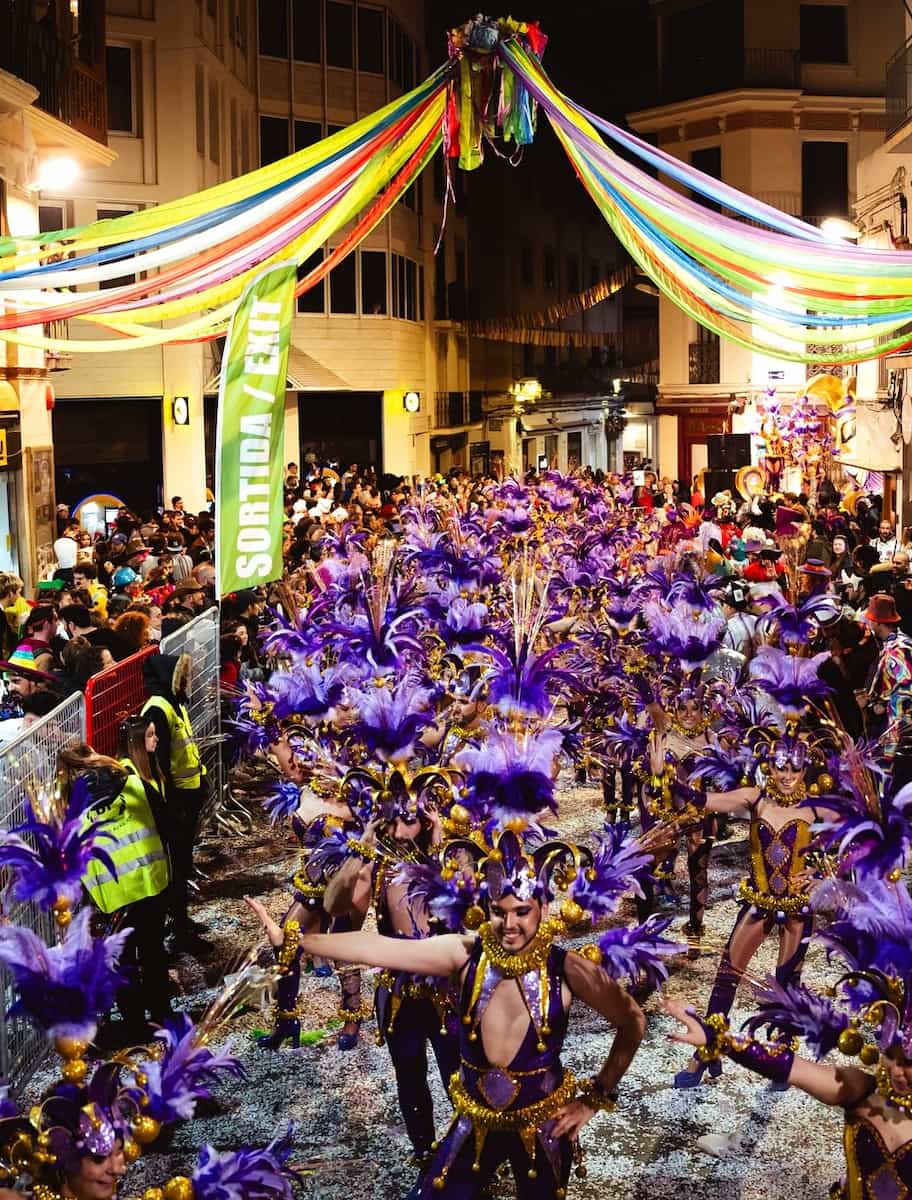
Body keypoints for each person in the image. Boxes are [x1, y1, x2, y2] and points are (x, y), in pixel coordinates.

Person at [246, 828, 647, 1199]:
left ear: (542, 907)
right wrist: (300, 941)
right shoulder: (464, 954)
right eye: (498, 910)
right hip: (473, 1124)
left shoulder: (568, 969)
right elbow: (379, 948)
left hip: (543, 1127)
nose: (509, 924)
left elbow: (632, 1021)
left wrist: (594, 1098)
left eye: (522, 912)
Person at [141, 653, 207, 951]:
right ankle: (180, 932)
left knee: (183, 866)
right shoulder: (158, 708)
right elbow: (160, 762)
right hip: (177, 803)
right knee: (177, 870)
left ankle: (183, 922)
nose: (186, 681)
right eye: (181, 676)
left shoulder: (174, 703)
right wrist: (171, 808)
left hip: (187, 798)